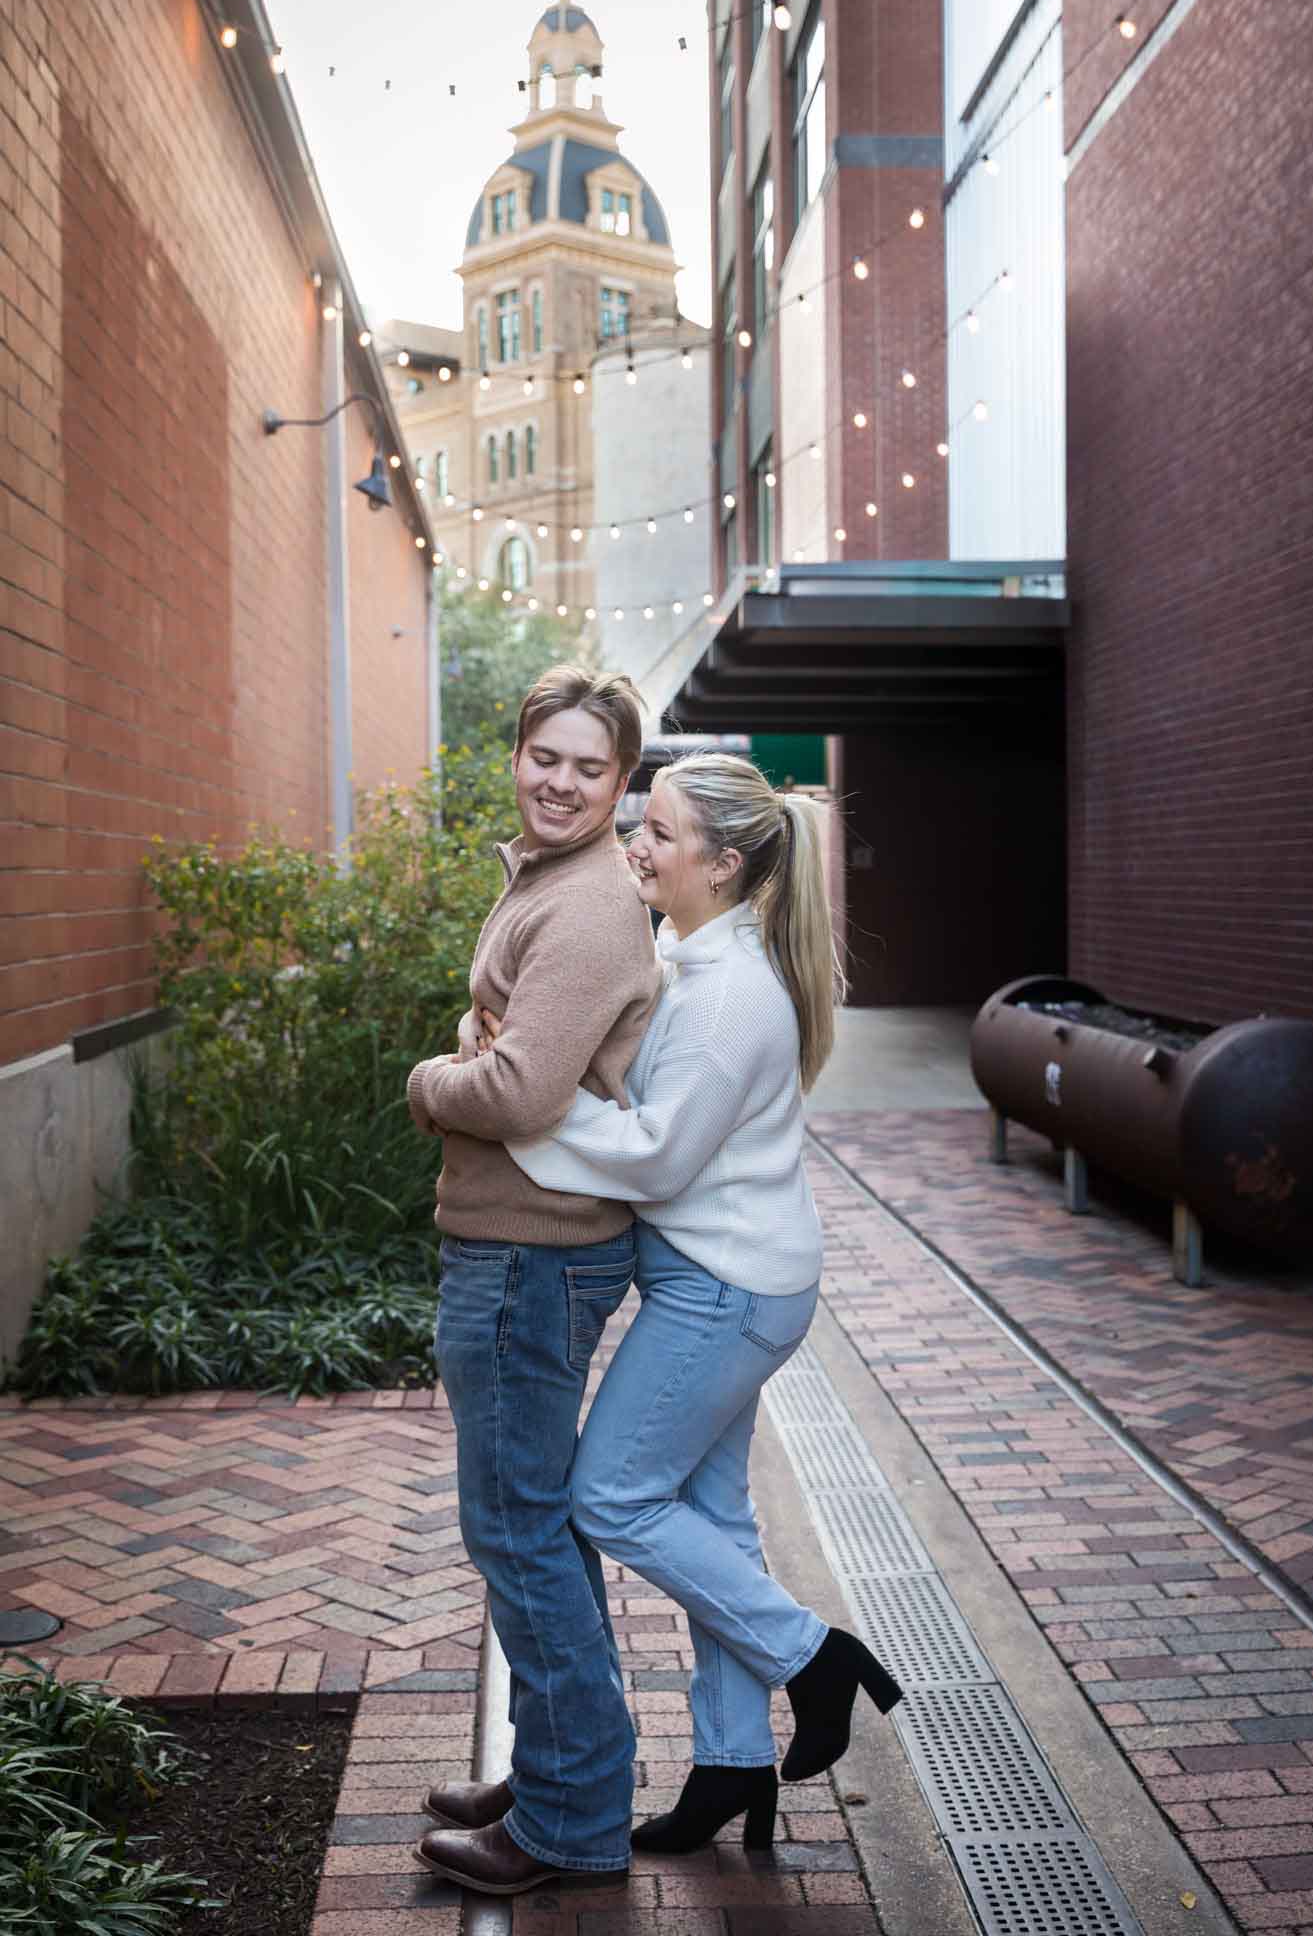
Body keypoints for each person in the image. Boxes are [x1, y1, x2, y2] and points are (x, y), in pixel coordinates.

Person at [474, 752, 901, 1856]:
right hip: (723, 1276)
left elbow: (655, 1158)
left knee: (610, 1498)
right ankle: (729, 1762)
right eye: (638, 822)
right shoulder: (690, 949)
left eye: (657, 832)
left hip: (725, 1291)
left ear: (721, 862)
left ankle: (813, 1656)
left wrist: (523, 1104)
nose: (634, 844)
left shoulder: (729, 998)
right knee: (708, 1521)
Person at [404, 667, 660, 1897]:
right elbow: (508, 1054)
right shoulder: (550, 882)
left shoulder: (592, 907)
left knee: (517, 1528)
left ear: (622, 782)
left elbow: (515, 1091)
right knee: (537, 1522)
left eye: (589, 767)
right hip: (521, 1250)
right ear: (517, 755)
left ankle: (570, 1819)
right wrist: (482, 1049)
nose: (559, 781)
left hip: (529, 1256)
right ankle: (565, 1766)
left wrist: (427, 1078)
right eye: (543, 757)